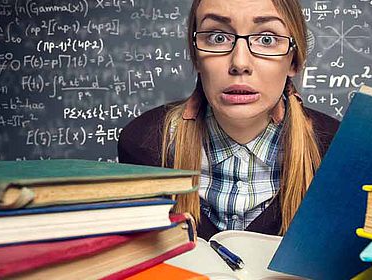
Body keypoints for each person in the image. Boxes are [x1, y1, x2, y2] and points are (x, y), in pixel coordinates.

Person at [118, 0, 339, 240]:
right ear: (196, 56)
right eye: (217, 37)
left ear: (294, 60)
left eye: (267, 39)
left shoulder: (337, 152)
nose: (240, 64)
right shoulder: (143, 144)